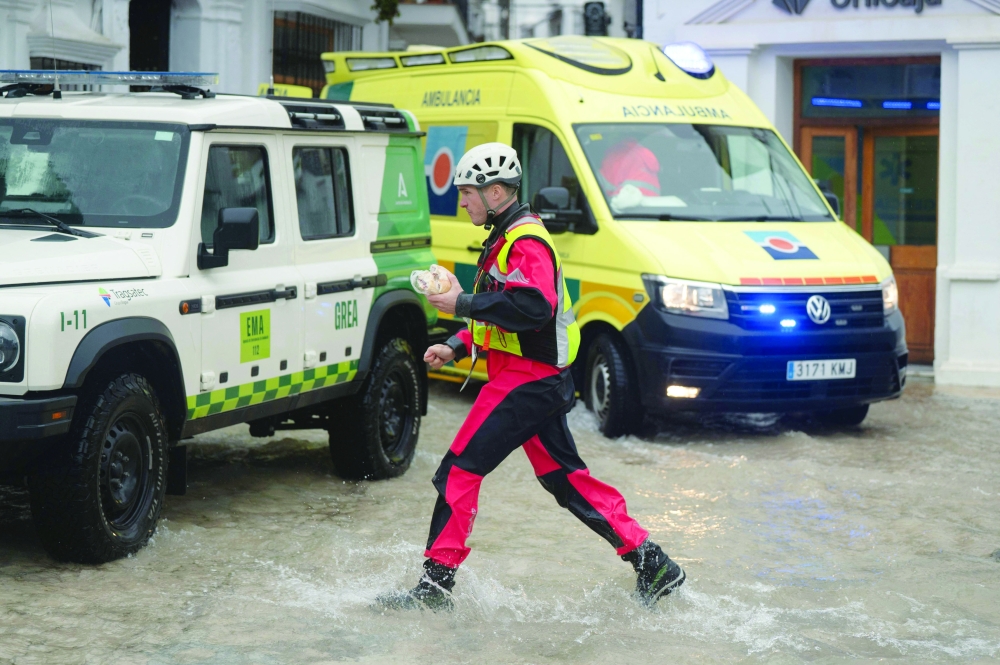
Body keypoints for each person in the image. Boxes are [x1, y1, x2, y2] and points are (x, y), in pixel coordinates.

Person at [376, 143, 685, 611]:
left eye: (467, 194)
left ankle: (433, 591)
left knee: (458, 472)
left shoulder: (525, 240)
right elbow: (505, 317)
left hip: (526, 383)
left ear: (495, 192)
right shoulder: (506, 238)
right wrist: (457, 343)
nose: (462, 203)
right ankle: (652, 561)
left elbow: (533, 307)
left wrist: (459, 302)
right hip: (535, 381)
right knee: (567, 480)